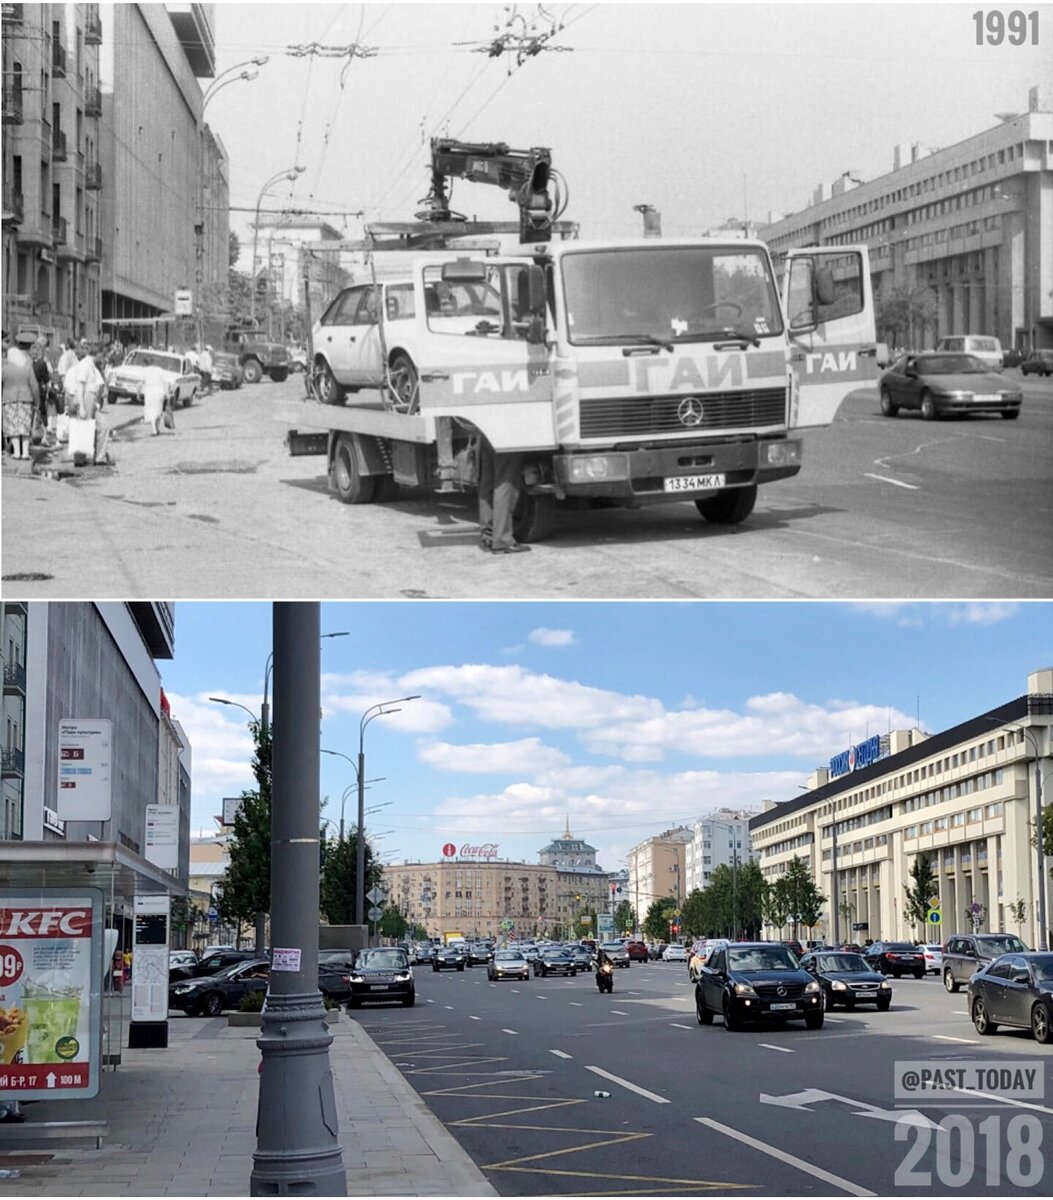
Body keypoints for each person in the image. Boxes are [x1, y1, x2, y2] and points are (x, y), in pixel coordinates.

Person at [477, 435, 529, 554]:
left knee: (488, 483)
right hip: (507, 432)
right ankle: (502, 540)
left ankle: (489, 536)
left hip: (487, 431)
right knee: (506, 482)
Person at [2, 330, 40, 459]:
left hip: (9, 399)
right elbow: (34, 386)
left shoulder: (5, 366)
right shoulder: (28, 366)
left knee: (13, 426)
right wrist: (37, 402)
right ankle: (25, 453)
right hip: (26, 398)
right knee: (24, 425)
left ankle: (16, 452)